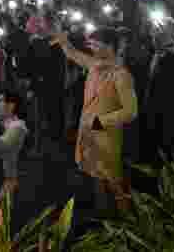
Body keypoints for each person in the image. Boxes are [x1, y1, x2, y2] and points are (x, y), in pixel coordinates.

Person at [51, 27, 138, 214]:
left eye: (96, 45)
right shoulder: (94, 65)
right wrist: (63, 41)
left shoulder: (121, 75)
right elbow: (73, 54)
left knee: (114, 183)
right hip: (89, 135)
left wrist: (99, 122)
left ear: (110, 47)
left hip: (106, 137)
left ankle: (126, 224)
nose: (91, 49)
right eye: (91, 45)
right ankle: (103, 219)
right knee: (95, 177)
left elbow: (131, 112)